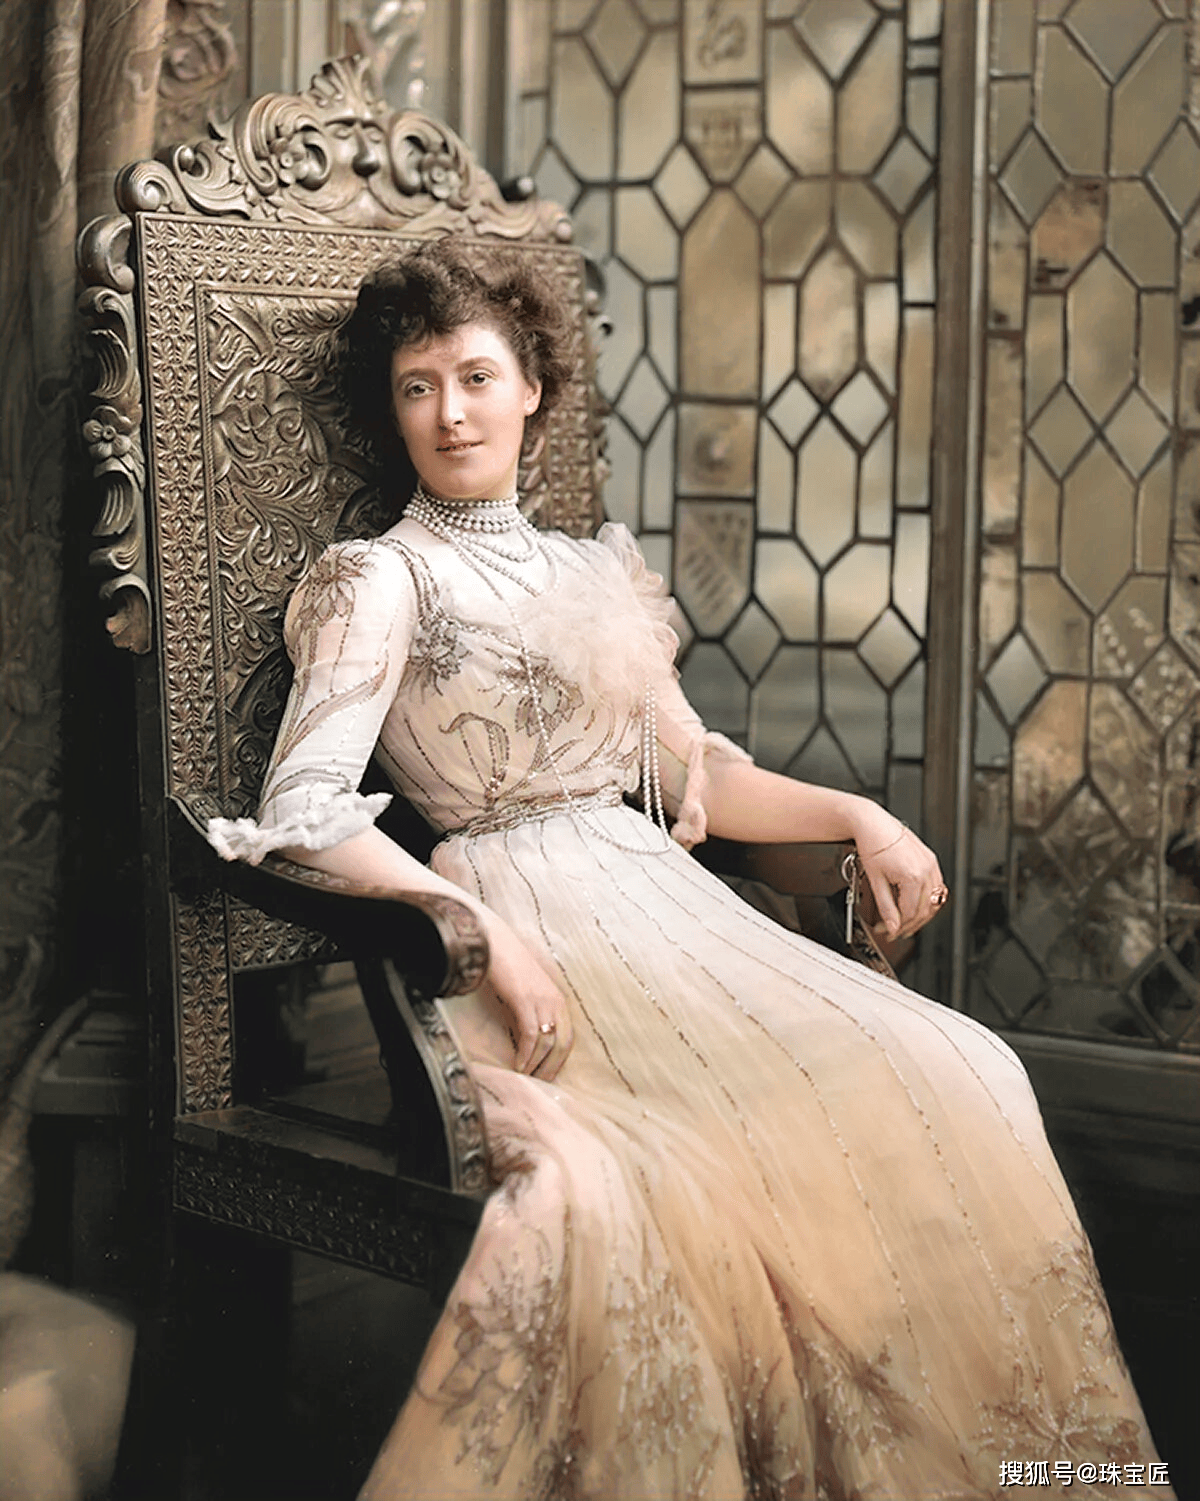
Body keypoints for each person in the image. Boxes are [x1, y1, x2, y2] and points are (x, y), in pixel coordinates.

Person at [208, 242, 1169, 1500]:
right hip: (524, 920)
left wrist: (861, 815)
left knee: (958, 1066)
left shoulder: (592, 572)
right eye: (417, 386)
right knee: (690, 1175)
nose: (450, 413)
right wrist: (471, 927)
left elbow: (693, 768)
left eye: (476, 377)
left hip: (663, 908)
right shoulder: (378, 578)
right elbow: (302, 805)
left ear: (531, 387)